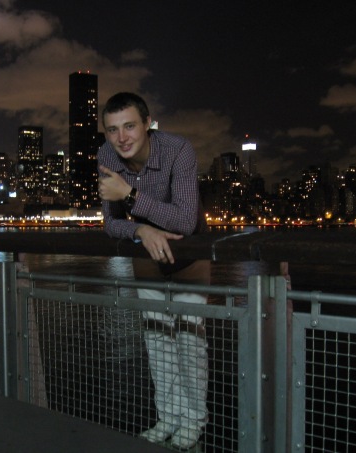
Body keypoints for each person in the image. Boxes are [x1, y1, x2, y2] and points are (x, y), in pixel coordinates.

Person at [97, 92, 210, 450]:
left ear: (148, 124)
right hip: (146, 252)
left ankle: (193, 422)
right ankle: (168, 418)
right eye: (112, 130)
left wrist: (129, 195)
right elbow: (111, 224)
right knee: (157, 340)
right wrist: (141, 229)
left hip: (189, 254)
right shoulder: (106, 156)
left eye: (129, 126)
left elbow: (185, 221)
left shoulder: (178, 150)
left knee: (190, 342)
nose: (121, 138)